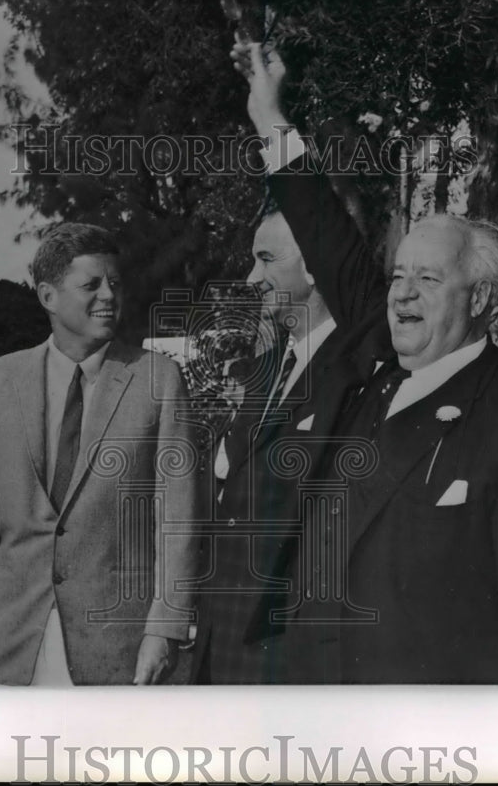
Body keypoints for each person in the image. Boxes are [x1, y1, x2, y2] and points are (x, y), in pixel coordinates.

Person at [232, 41, 498, 684]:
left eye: (426, 278)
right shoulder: (377, 357)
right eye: (397, 276)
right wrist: (268, 115)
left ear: (478, 297)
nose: (402, 294)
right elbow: (326, 234)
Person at [0, 223, 200, 686]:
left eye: (115, 283)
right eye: (91, 285)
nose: (108, 296)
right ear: (47, 296)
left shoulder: (158, 379)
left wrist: (166, 628)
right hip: (12, 643)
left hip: (121, 643)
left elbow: (177, 520)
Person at [192, 203, 350, 684]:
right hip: (221, 642)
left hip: (288, 652)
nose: (250, 277)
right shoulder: (267, 367)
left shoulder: (355, 374)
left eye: (266, 259)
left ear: (315, 266)